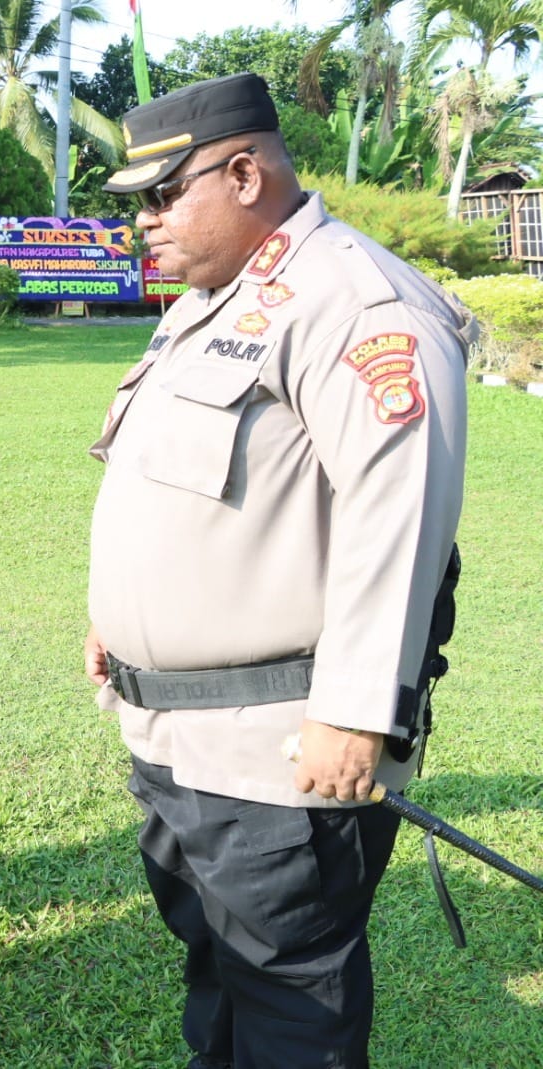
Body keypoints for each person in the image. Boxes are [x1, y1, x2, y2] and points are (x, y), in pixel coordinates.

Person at [82, 73, 475, 1069]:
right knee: (220, 976)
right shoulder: (215, 302)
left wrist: (355, 710)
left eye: (161, 195)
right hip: (177, 729)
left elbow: (400, 516)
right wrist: (120, 624)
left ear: (245, 172)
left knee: (290, 1004)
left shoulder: (355, 303)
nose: (145, 222)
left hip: (277, 746)